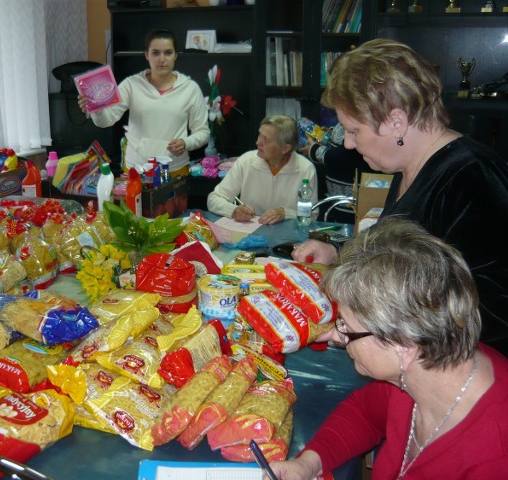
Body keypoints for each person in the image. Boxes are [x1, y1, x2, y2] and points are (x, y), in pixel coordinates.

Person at [291, 39, 508, 354]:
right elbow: (408, 258)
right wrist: (340, 255)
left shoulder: (474, 176)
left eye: (354, 131)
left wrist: (374, 315)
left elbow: (492, 311)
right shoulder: (408, 169)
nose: (348, 144)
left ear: (396, 122)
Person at [271, 217, 508, 479]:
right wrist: (309, 464)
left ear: (402, 345)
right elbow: (365, 414)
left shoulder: (494, 457)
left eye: (347, 327)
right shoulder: (422, 369)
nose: (338, 337)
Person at [77, 28, 209, 177]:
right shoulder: (131, 85)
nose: (162, 59)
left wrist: (186, 143)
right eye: (155, 53)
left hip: (174, 169)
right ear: (147, 55)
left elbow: (203, 132)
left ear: (175, 55)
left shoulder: (190, 88)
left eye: (168, 52)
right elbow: (105, 121)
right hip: (136, 170)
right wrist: (96, 108)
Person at [207, 115, 318, 225]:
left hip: (290, 238)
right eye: (260, 135)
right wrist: (233, 211)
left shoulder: (305, 169)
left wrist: (285, 213)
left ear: (285, 148)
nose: (258, 142)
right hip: (250, 235)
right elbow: (214, 199)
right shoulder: (246, 161)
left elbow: (311, 215)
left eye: (266, 139)